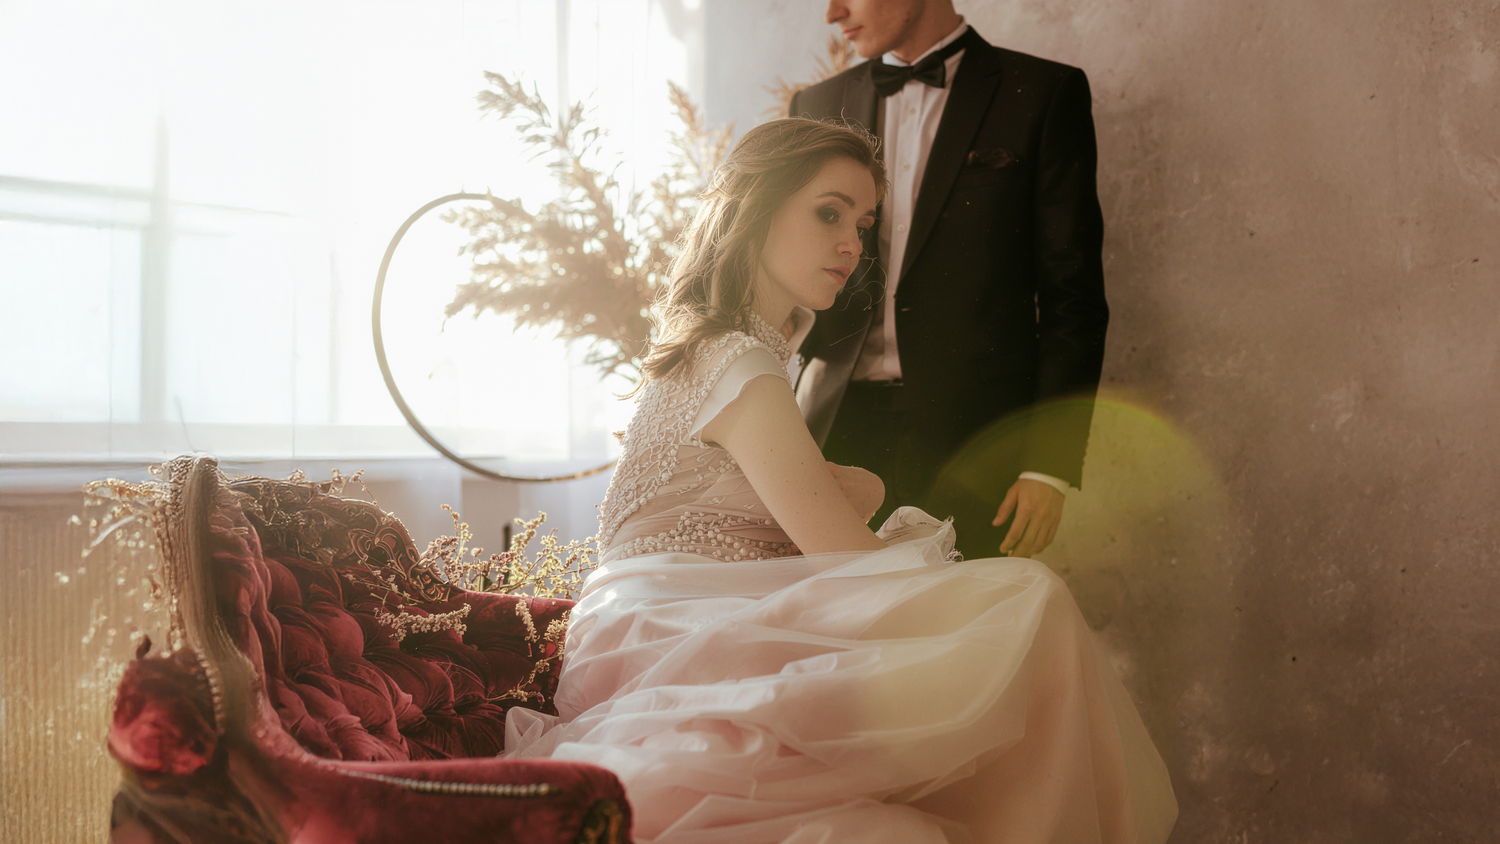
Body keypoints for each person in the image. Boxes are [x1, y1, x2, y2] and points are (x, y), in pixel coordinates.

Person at [503, 118, 1176, 844]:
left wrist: (865, 493)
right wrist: (873, 500)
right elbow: (848, 561)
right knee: (1031, 599)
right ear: (756, 208)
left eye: (862, 222)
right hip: (674, 636)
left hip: (651, 629)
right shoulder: (737, 362)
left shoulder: (726, 351)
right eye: (829, 212)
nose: (854, 243)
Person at [790, 0, 1110, 562]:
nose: (832, 13)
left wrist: (1048, 466)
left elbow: (1073, 296)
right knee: (838, 633)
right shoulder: (816, 105)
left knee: (958, 636)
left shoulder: (1043, 92)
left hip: (980, 441)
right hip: (833, 434)